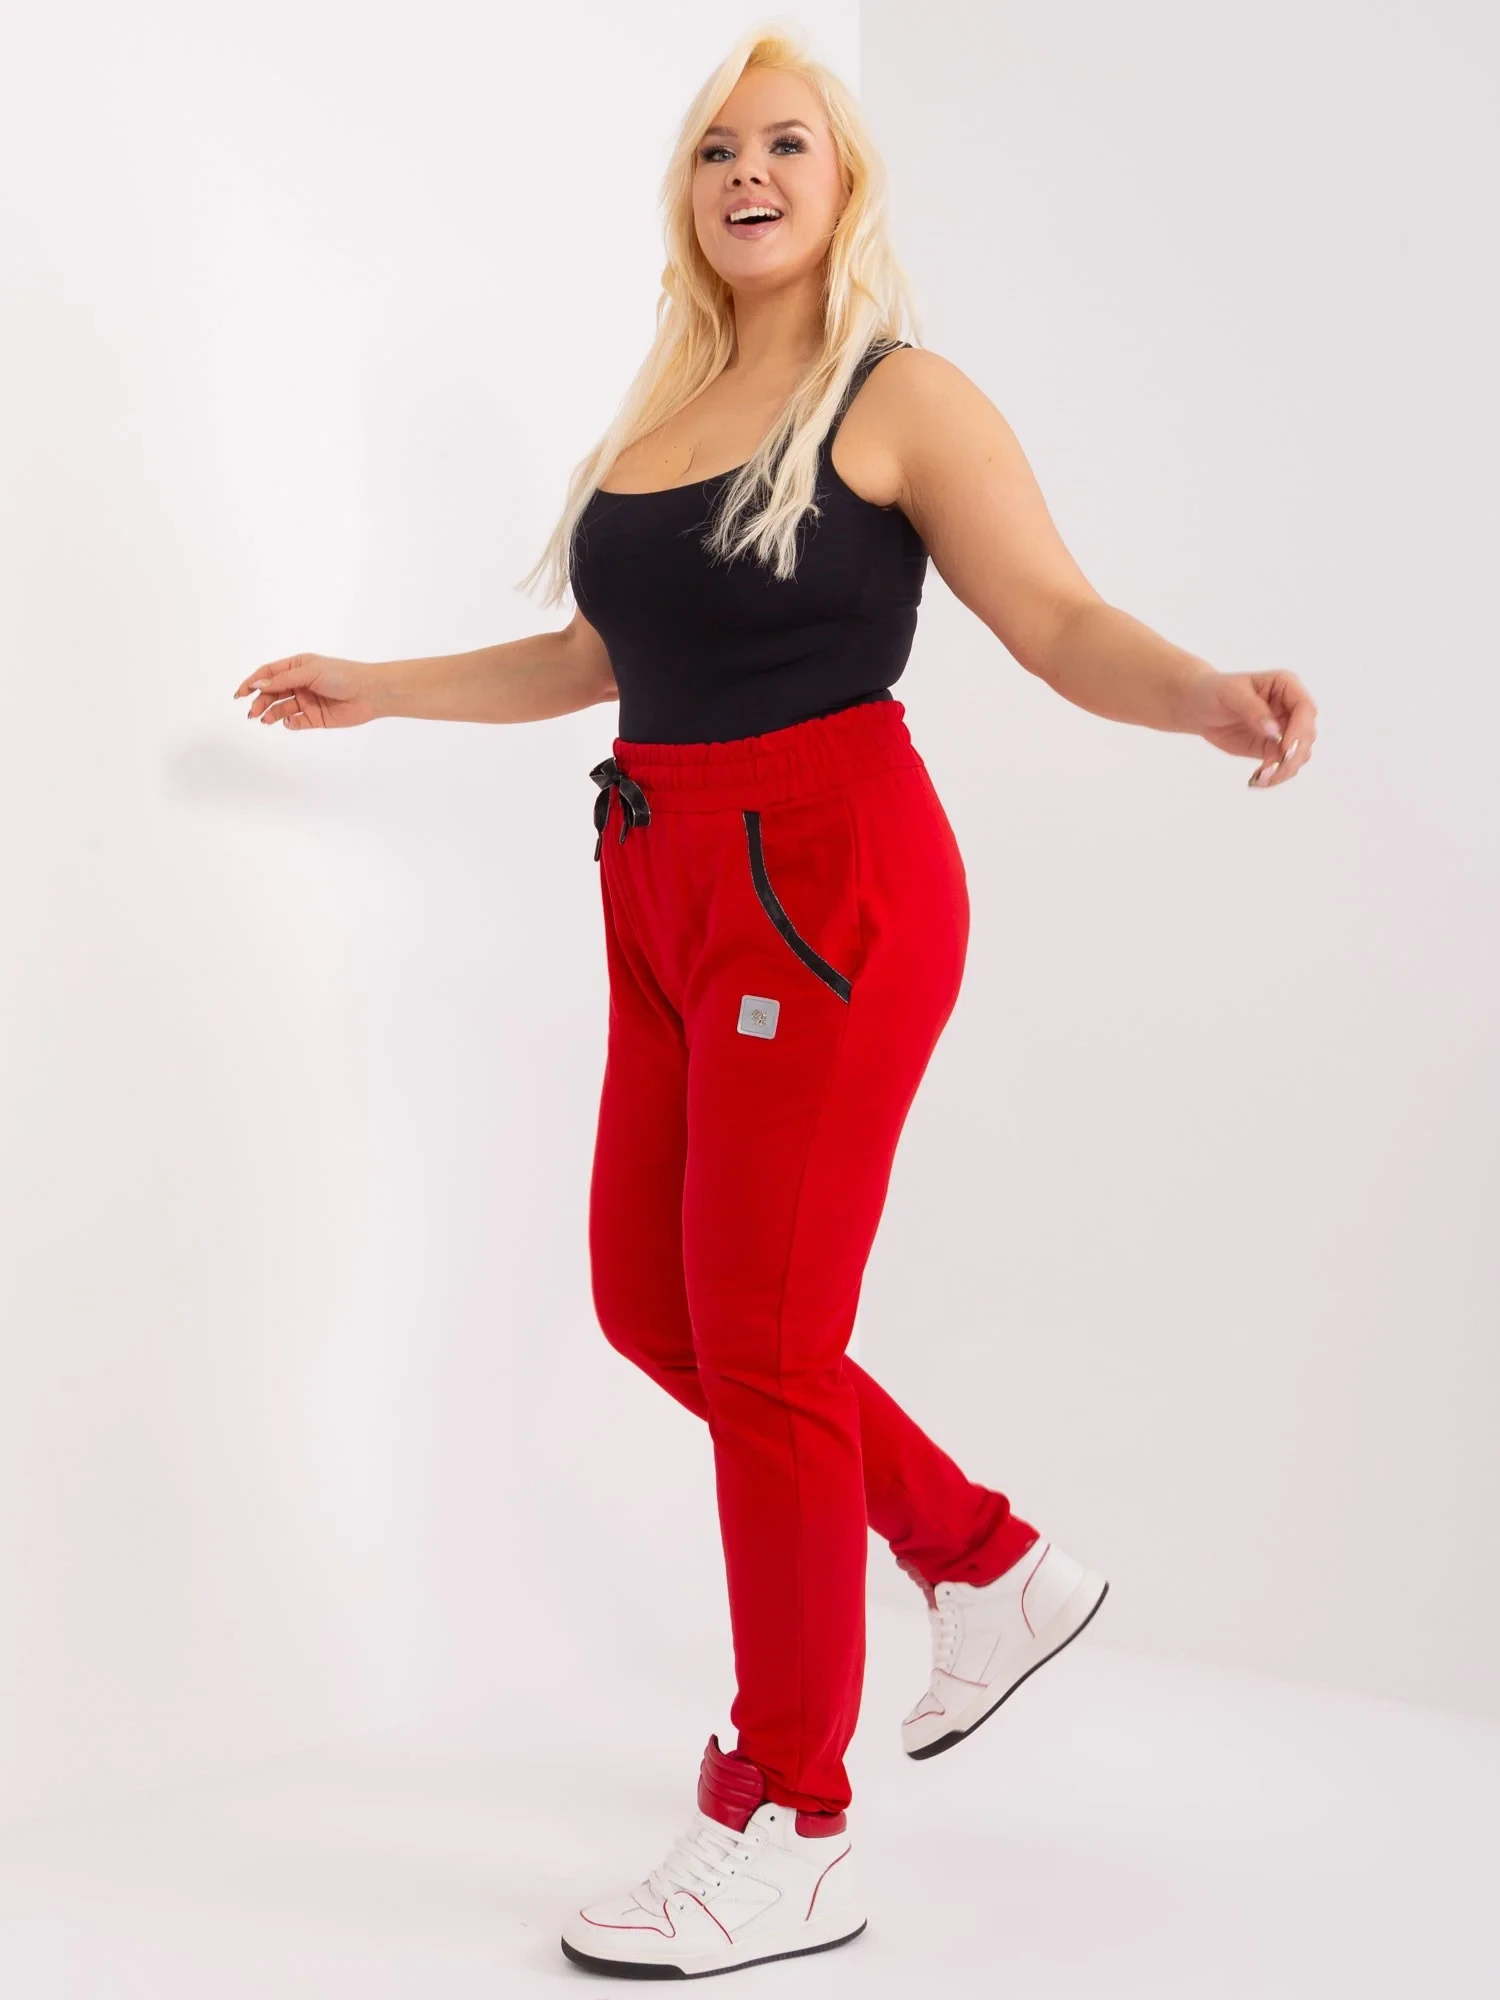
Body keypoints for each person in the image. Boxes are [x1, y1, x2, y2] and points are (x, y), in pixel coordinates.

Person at [232, 22, 1318, 1984]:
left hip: (825, 881)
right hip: (658, 874)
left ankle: (791, 1823)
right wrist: (385, 685)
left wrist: (1205, 694)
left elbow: (1057, 617)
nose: (748, 171)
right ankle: (983, 1560)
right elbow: (600, 657)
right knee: (657, 1305)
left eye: (787, 143)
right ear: (687, 188)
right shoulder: (666, 411)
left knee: (763, 1339)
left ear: (845, 181)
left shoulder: (896, 396)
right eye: (719, 146)